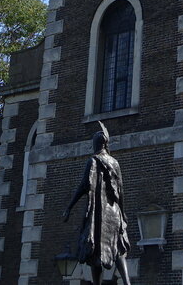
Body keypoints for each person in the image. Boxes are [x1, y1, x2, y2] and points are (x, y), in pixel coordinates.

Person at [63, 122, 132, 284]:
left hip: (99, 213)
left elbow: (84, 186)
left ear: (97, 144)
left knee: (94, 251)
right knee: (118, 247)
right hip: (114, 212)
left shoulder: (93, 160)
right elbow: (120, 190)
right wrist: (123, 212)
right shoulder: (115, 162)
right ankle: (127, 282)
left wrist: (69, 207)